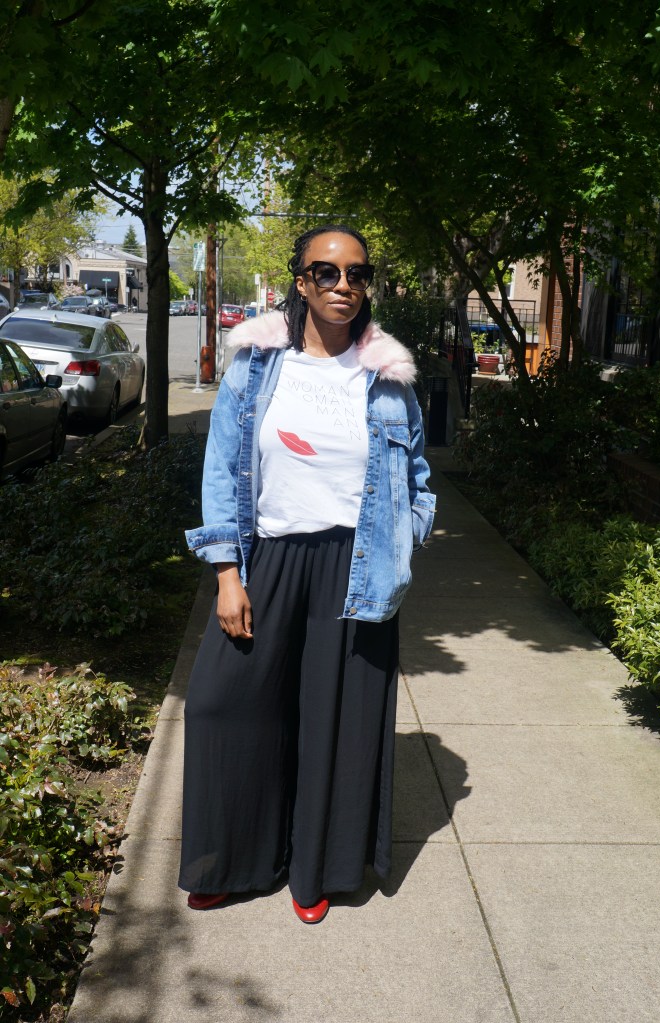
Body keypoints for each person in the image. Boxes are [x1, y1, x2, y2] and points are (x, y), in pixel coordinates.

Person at [179, 224, 436, 924]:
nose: (342, 285)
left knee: (333, 722)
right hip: (272, 558)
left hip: (355, 566)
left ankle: (314, 869)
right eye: (326, 271)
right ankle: (233, 859)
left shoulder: (389, 381)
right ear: (301, 281)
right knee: (222, 702)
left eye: (356, 273)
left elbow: (419, 480)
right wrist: (227, 573)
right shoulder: (258, 367)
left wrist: (402, 542)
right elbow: (220, 469)